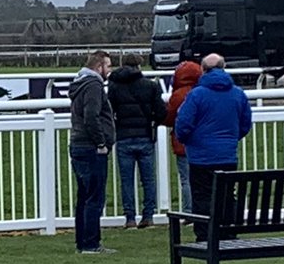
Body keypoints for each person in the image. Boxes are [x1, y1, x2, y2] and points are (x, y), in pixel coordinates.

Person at [174, 53, 253, 242]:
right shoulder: (238, 94)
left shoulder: (196, 95)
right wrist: (230, 139)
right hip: (227, 156)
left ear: (203, 69)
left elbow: (183, 124)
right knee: (227, 196)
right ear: (223, 67)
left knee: (202, 197)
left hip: (201, 157)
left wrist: (189, 141)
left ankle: (205, 236)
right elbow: (245, 124)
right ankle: (228, 234)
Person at [107, 53, 166, 229]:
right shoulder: (151, 86)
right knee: (148, 180)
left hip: (124, 136)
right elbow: (162, 112)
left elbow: (110, 110)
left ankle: (130, 218)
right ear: (139, 66)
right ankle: (148, 216)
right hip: (145, 136)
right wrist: (153, 120)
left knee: (126, 180)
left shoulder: (115, 85)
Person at [69, 50, 116, 254]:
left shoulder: (80, 84)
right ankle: (91, 243)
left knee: (84, 196)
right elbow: (91, 116)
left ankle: (83, 242)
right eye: (108, 65)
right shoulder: (94, 85)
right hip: (90, 147)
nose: (110, 70)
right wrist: (101, 142)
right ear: (99, 67)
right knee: (94, 198)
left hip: (79, 145)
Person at [163, 60, 202, 215]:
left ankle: (189, 211)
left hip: (183, 144)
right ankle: (201, 210)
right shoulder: (202, 91)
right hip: (201, 145)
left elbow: (169, 117)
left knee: (186, 180)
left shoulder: (178, 95)